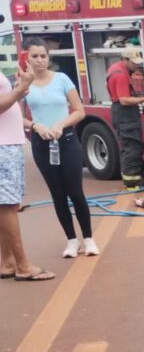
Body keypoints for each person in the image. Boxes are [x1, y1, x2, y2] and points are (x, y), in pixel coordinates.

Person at [21, 38, 98, 258]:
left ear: (49, 57)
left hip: (66, 141)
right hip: (41, 144)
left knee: (75, 191)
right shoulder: (23, 84)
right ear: (27, 58)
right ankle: (71, 241)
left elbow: (79, 110)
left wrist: (60, 124)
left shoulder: (62, 79)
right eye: (34, 56)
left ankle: (89, 238)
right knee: (58, 194)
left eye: (43, 56)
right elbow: (17, 117)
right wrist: (35, 125)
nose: (39, 61)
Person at [0, 68, 54, 281]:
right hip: (3, 147)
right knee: (7, 205)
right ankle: (23, 265)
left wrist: (19, 89)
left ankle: (7, 262)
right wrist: (21, 88)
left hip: (8, 144)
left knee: (7, 205)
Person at [106, 46, 144, 190]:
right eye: (134, 62)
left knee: (132, 145)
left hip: (123, 112)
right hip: (124, 113)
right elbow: (124, 100)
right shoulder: (120, 75)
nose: (137, 65)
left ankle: (135, 178)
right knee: (132, 146)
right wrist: (143, 99)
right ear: (125, 60)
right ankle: (132, 182)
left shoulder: (116, 68)